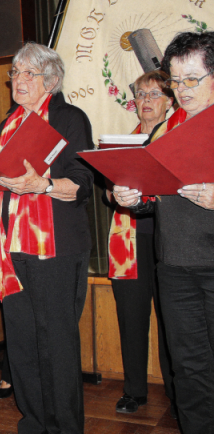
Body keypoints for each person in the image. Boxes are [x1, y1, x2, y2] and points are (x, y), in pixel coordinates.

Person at [0, 42, 94, 434]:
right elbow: (6, 180)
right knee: (21, 342)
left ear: (50, 80)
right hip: (11, 246)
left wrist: (44, 184)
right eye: (14, 74)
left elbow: (83, 183)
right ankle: (34, 421)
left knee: (56, 342)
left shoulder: (69, 118)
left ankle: (65, 427)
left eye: (27, 74)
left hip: (55, 247)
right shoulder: (10, 121)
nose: (17, 81)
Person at [113, 31, 214, 433]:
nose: (181, 90)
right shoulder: (164, 130)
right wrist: (133, 196)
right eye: (176, 80)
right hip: (173, 267)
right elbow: (153, 201)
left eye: (192, 79)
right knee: (188, 369)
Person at [107, 70, 175, 415]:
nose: (146, 102)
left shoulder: (177, 137)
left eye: (154, 95)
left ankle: (178, 391)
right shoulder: (123, 142)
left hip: (169, 240)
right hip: (129, 240)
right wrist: (111, 189)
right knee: (130, 316)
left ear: (170, 101)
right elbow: (109, 191)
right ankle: (134, 389)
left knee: (172, 319)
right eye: (141, 95)